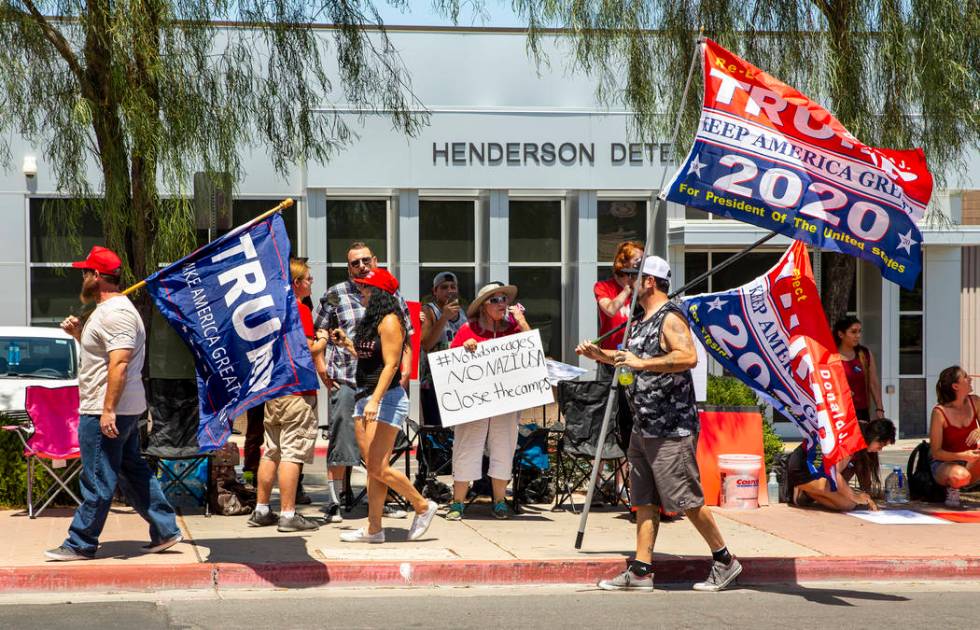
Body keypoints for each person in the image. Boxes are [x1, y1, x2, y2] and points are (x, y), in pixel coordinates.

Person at [576, 256, 741, 592]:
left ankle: (725, 560)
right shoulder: (641, 320)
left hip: (670, 427)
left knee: (686, 499)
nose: (628, 284)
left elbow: (687, 356)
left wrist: (642, 361)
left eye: (633, 278)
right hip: (644, 424)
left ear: (649, 281)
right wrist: (600, 355)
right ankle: (641, 571)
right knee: (645, 499)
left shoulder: (670, 317)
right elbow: (629, 359)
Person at [45, 246, 182, 561]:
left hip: (106, 409)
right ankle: (164, 529)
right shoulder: (110, 311)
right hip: (122, 408)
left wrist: (108, 410)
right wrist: (80, 334)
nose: (82, 277)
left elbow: (119, 363)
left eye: (85, 272)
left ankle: (80, 542)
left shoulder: (116, 313)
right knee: (133, 471)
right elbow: (105, 355)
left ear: (96, 276)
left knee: (97, 476)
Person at [327, 268, 438, 543]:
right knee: (375, 468)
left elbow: (391, 365)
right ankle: (374, 529)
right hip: (364, 396)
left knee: (378, 466)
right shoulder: (371, 319)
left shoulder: (390, 321)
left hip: (385, 399)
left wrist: (375, 400)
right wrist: (348, 344)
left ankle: (422, 505)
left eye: (365, 288)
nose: (360, 292)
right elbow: (369, 356)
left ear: (379, 293)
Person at [313, 242, 415, 523]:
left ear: (375, 260)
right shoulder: (335, 294)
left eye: (365, 261)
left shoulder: (390, 295)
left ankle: (380, 505)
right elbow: (317, 331)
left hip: (382, 383)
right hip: (346, 378)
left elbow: (406, 337)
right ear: (348, 267)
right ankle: (335, 501)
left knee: (378, 452)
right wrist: (322, 367)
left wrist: (404, 370)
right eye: (354, 263)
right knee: (341, 440)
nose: (361, 266)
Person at [247, 259, 326, 532]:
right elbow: (306, 349)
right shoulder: (299, 309)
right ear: (296, 284)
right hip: (297, 391)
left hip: (275, 389)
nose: (311, 283)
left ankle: (261, 509)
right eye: (307, 279)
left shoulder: (272, 310)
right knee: (292, 453)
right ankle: (289, 514)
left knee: (271, 451)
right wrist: (324, 338)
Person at [445, 282, 531, 521]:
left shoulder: (513, 330)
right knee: (466, 447)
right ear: (483, 306)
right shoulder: (467, 329)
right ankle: (457, 502)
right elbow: (451, 365)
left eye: (504, 299)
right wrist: (464, 349)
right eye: (495, 300)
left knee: (504, 447)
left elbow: (532, 350)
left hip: (505, 402)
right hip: (475, 403)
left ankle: (500, 500)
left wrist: (521, 321)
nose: (502, 303)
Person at [788, 419, 896, 511]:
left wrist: (857, 496)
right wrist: (855, 496)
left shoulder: (858, 436)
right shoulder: (852, 440)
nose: (880, 449)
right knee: (848, 502)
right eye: (880, 445)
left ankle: (811, 492)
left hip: (813, 467)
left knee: (848, 502)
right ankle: (806, 491)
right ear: (874, 437)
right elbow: (835, 474)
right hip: (802, 468)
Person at [833, 316, 886, 496]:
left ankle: (866, 489)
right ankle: (838, 488)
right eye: (853, 332)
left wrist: (879, 408)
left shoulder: (864, 354)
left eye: (859, 332)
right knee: (846, 454)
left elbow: (873, 383)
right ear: (841, 334)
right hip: (840, 414)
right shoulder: (831, 355)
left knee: (865, 452)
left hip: (862, 413)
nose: (857, 336)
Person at [419, 271, 467, 427]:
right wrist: (444, 317)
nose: (449, 291)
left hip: (458, 377)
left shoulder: (462, 312)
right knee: (436, 426)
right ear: (435, 291)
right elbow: (426, 344)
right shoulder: (429, 311)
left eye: (453, 287)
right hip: (434, 380)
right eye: (444, 287)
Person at [929, 366, 980, 508]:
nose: (970, 379)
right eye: (965, 377)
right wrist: (963, 456)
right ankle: (952, 489)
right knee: (960, 476)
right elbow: (936, 453)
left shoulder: (975, 402)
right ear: (955, 386)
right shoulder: (939, 412)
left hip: (970, 460)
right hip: (943, 463)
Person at [593, 241, 643, 382]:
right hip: (610, 358)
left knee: (631, 402)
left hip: (635, 358)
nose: (641, 264)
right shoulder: (603, 287)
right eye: (637, 260)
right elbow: (610, 310)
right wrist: (628, 288)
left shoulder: (641, 289)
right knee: (609, 401)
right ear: (624, 262)